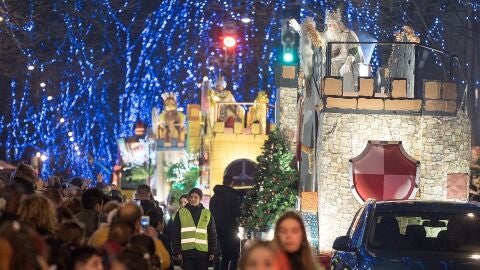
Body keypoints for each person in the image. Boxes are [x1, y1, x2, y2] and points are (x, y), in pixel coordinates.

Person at [290, 8, 364, 92]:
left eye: (333, 24)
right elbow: (313, 37)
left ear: (339, 24)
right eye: (328, 24)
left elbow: (355, 51)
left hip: (345, 69)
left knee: (346, 90)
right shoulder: (324, 37)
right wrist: (300, 28)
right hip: (329, 71)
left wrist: (348, 62)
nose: (330, 27)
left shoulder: (348, 34)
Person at [172, 188, 217, 270]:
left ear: (200, 199)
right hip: (186, 252)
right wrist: (177, 251)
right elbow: (175, 233)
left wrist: (212, 251)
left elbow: (212, 234)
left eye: (196, 197)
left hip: (203, 253)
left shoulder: (207, 213)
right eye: (191, 197)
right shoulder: (181, 212)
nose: (193, 199)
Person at [210, 174, 241, 270]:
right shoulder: (233, 196)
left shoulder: (214, 197)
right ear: (232, 183)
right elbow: (237, 213)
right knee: (235, 256)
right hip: (231, 231)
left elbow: (211, 214)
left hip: (217, 231)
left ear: (223, 182)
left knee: (222, 257)